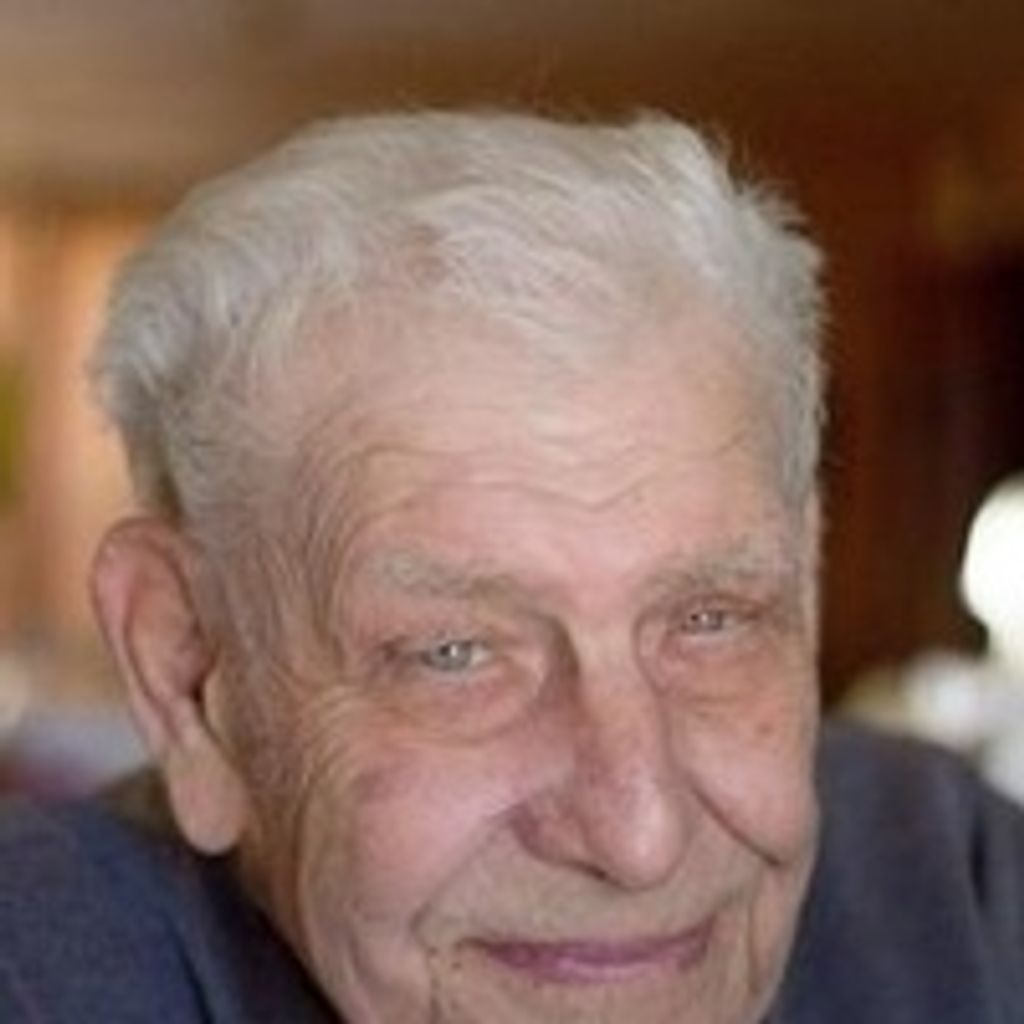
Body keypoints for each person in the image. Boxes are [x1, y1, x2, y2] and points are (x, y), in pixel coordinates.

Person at [0, 110, 1021, 1024]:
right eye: (453, 653)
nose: (640, 836)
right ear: (185, 672)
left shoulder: (956, 888)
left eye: (709, 618)